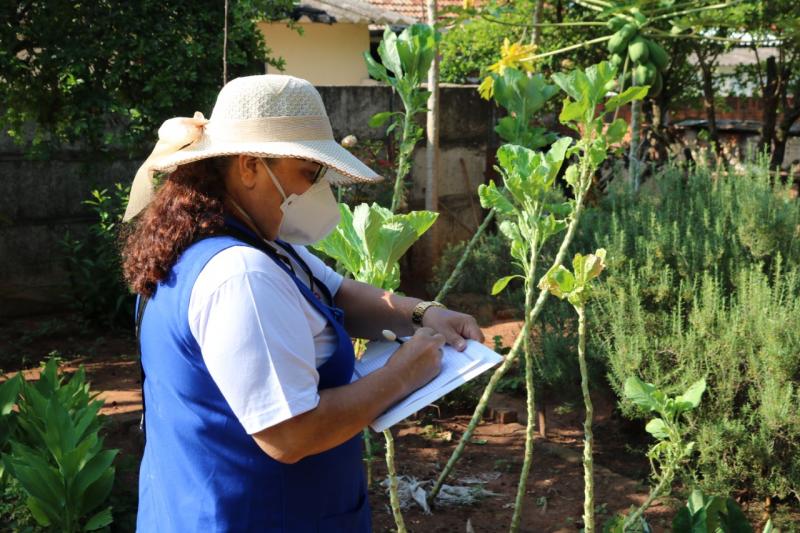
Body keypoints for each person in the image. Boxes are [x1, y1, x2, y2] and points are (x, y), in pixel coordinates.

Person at [121, 74, 484, 532]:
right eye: (308, 174)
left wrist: (422, 313)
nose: (317, 192)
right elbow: (289, 435)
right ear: (250, 166)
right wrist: (402, 374)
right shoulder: (241, 276)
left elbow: (336, 293)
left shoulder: (248, 242)